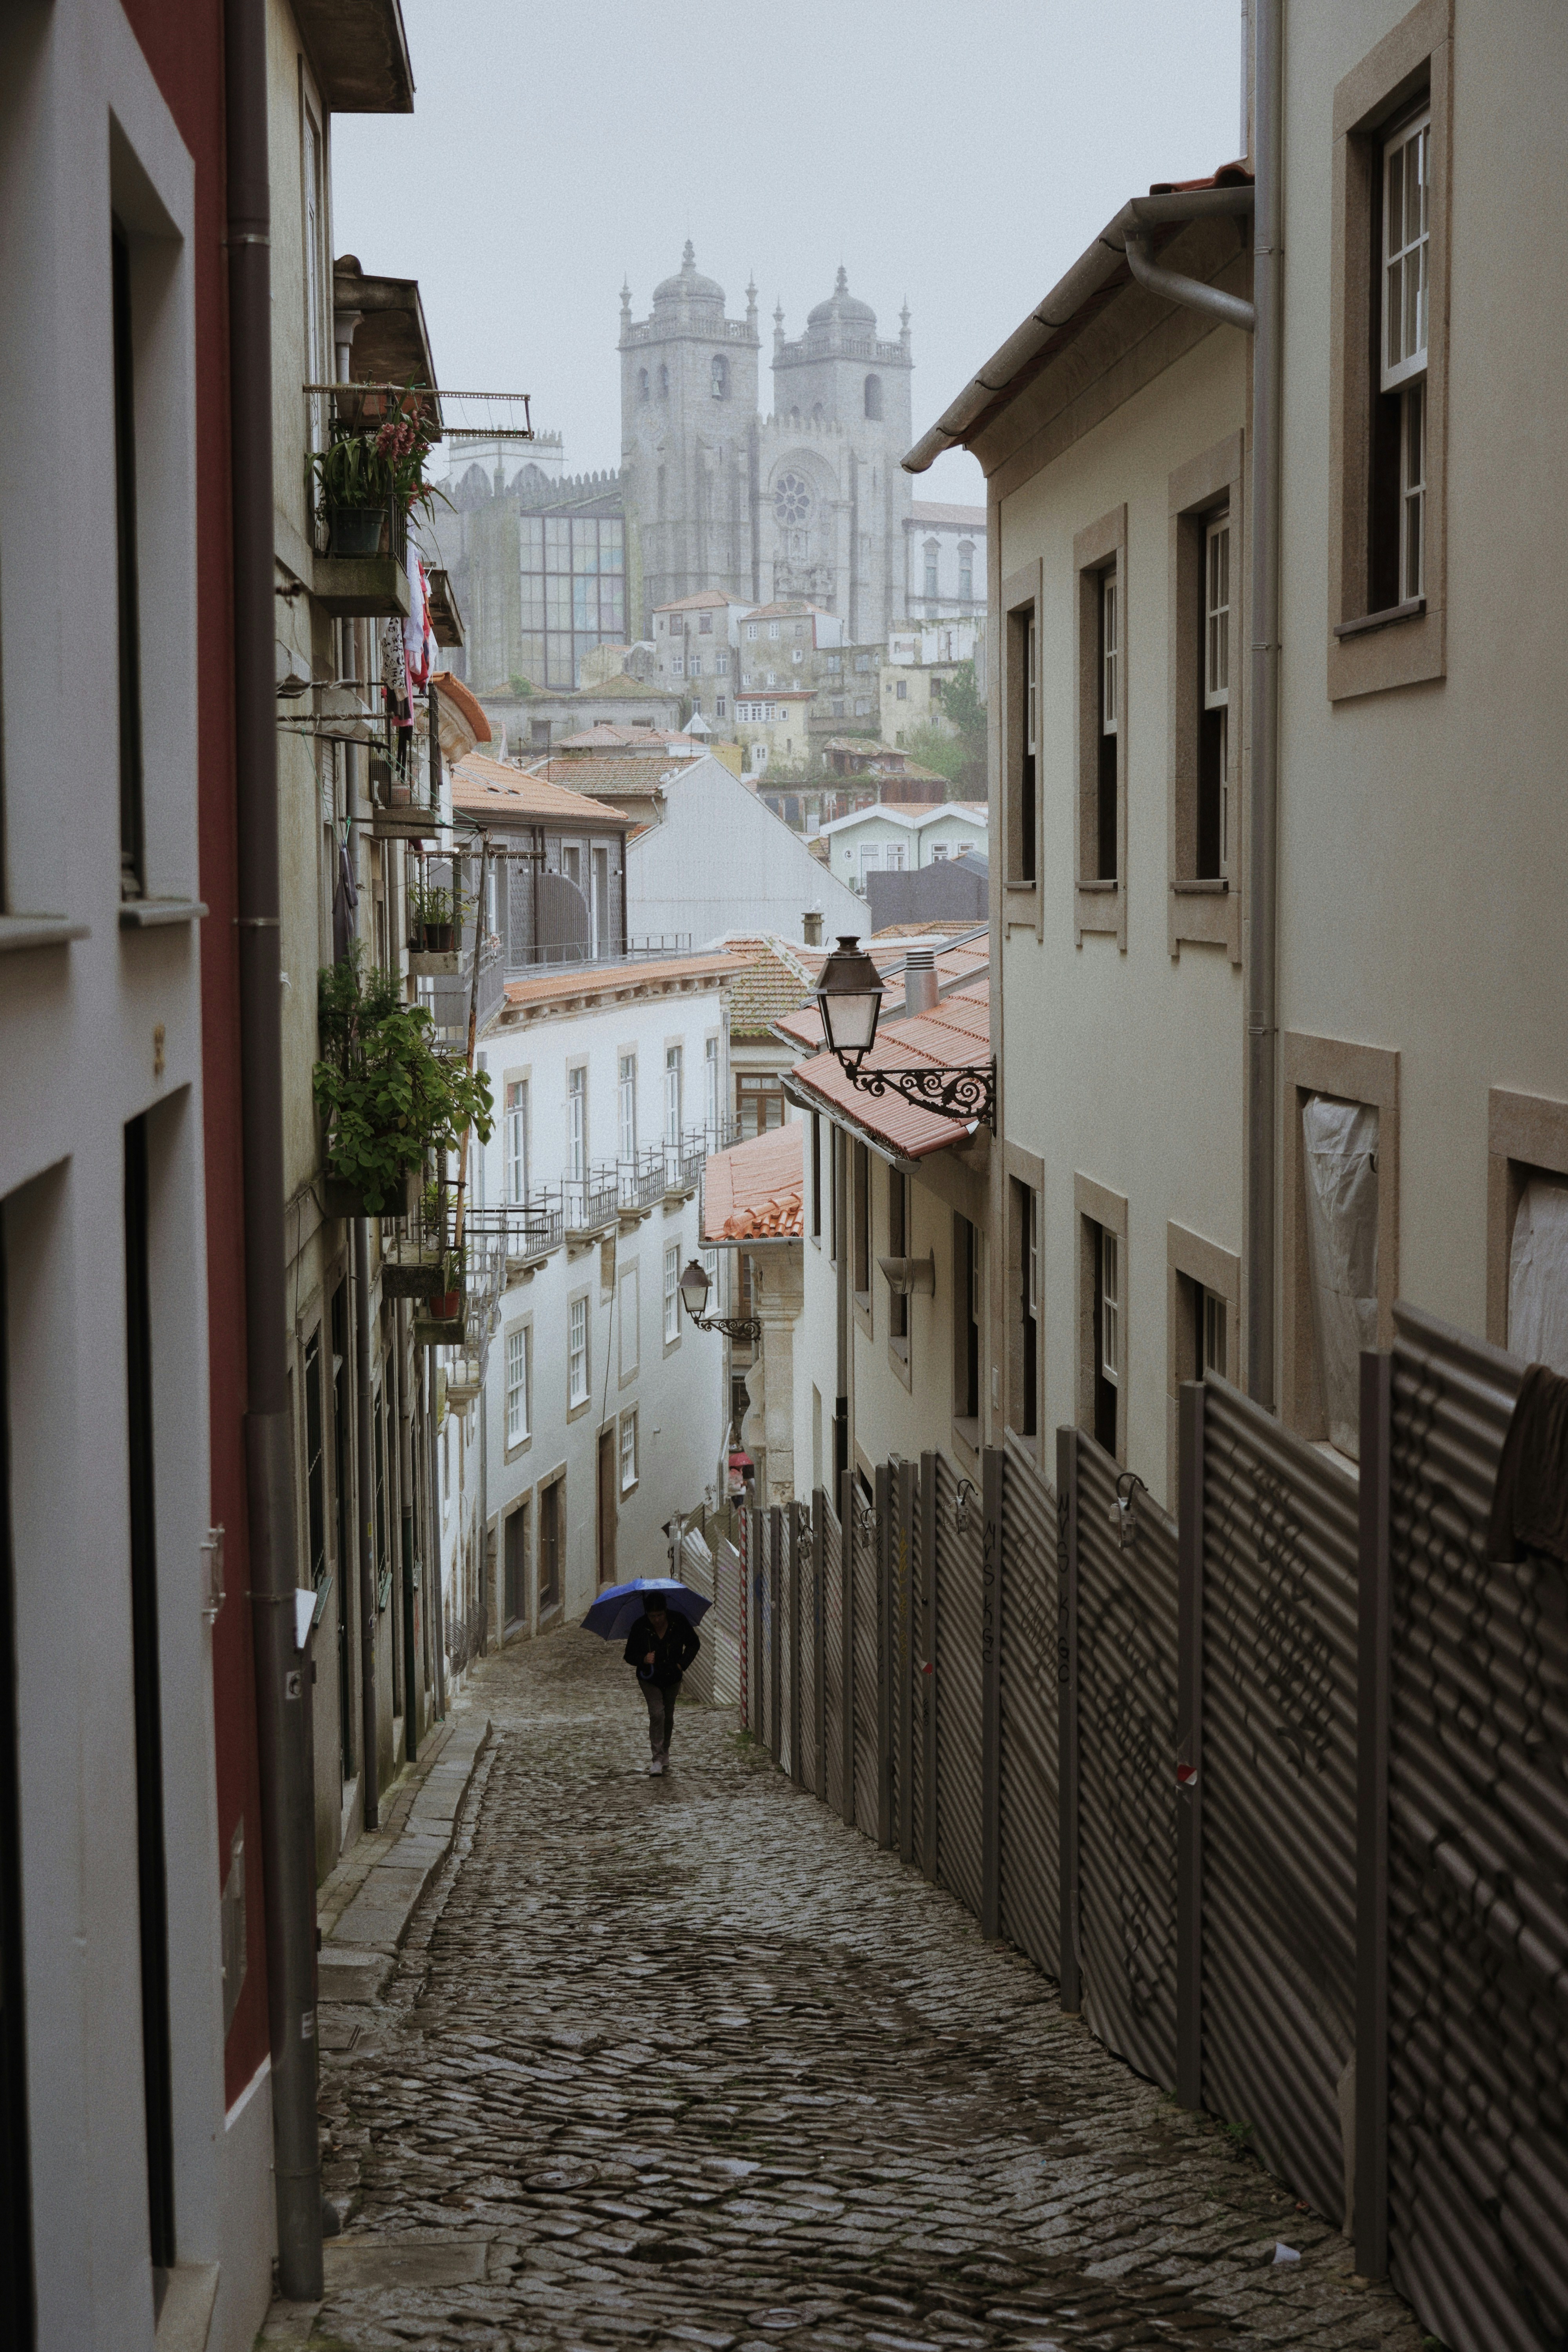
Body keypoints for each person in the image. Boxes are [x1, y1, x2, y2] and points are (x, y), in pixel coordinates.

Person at [623, 1593, 700, 1775]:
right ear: (647, 1614)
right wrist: (643, 1658)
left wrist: (682, 1664)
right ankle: (657, 1758)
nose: (657, 1620)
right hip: (649, 1678)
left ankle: (665, 1750)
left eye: (660, 1615)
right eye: (652, 1616)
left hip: (673, 1677)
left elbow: (694, 1644)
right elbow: (629, 1655)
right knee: (657, 1714)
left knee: (668, 1715)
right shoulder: (640, 1626)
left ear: (666, 1612)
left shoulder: (678, 1622)